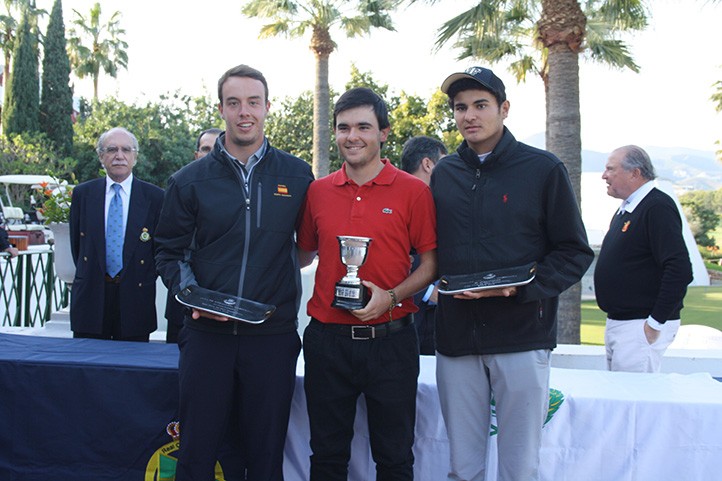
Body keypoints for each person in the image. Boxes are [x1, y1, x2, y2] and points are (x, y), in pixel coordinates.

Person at [431, 66, 593, 481]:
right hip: (456, 340)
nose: (469, 115)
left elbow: (573, 251)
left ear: (504, 109)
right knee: (462, 468)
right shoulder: (444, 174)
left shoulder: (543, 169)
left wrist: (519, 289)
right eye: (460, 107)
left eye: (480, 105)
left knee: (520, 469)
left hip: (521, 337)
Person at [154, 64, 313, 481]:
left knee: (265, 458)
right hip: (207, 338)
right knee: (196, 454)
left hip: (272, 338)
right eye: (234, 102)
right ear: (221, 108)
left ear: (267, 107)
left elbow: (308, 246)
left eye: (253, 102)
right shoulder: (188, 181)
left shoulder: (297, 175)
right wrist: (195, 298)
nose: (245, 111)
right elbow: (167, 253)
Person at [297, 87, 437, 481]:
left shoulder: (414, 192)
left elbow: (430, 264)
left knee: (394, 459)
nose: (352, 136)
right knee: (326, 456)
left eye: (363, 126)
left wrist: (390, 298)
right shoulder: (317, 191)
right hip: (328, 342)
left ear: (383, 133)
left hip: (392, 342)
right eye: (343, 128)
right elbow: (303, 254)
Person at [594, 145, 693, 373]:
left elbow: (679, 269)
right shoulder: (628, 209)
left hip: (639, 327)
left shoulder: (656, 207)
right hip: (623, 324)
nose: (604, 175)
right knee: (621, 398)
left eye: (611, 169)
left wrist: (654, 324)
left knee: (633, 402)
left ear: (635, 173)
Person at [69, 127, 164, 341]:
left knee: (131, 369)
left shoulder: (155, 197)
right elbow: (78, 245)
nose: (119, 156)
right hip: (91, 297)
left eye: (126, 150)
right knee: (87, 367)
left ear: (135, 156)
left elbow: (159, 249)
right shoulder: (83, 194)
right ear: (101, 156)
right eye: (112, 149)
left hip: (135, 298)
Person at [164, 127, 223, 344]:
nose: (211, 154)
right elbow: (168, 248)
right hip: (182, 309)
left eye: (217, 149)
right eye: (205, 149)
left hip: (220, 311)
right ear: (196, 154)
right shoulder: (180, 187)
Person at [400, 135, 447, 355]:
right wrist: (429, 292)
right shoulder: (397, 201)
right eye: (444, 162)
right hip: (403, 326)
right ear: (428, 164)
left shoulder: (441, 201)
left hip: (440, 328)